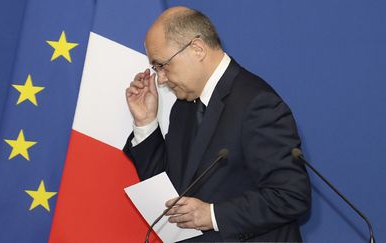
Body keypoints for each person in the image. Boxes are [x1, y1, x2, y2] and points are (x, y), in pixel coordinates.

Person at [123, 6, 311, 242]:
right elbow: (169, 192)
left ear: (197, 49)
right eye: (156, 69)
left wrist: (212, 214)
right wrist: (145, 121)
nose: (160, 79)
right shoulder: (184, 107)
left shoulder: (257, 103)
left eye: (163, 65)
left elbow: (291, 195)